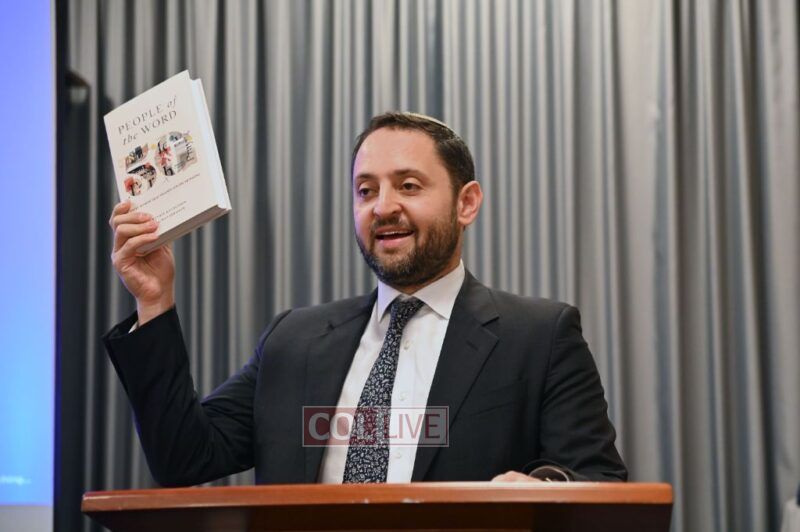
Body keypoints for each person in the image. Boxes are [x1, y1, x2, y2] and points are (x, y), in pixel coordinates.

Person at [104, 112, 627, 487]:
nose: (383, 207)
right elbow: (184, 458)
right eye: (365, 190)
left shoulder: (539, 337)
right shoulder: (294, 340)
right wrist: (154, 303)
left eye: (409, 186)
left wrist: (545, 488)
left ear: (466, 203)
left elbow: (597, 481)